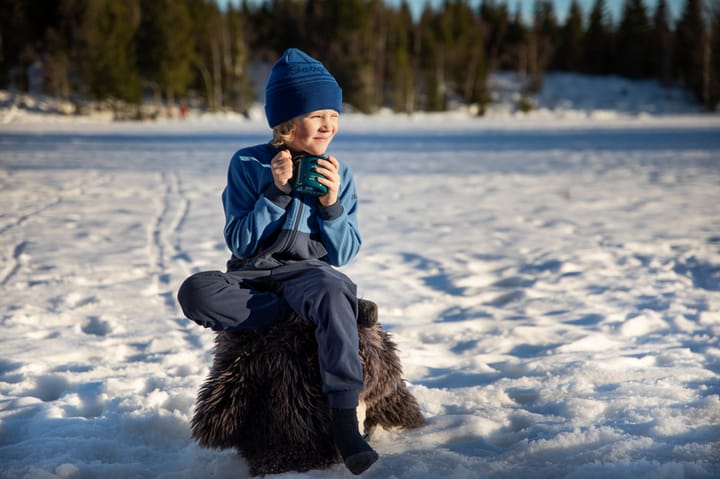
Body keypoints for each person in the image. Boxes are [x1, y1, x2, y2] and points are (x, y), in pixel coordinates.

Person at [177, 48, 378, 475]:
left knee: (331, 283)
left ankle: (344, 423)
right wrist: (276, 192)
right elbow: (240, 242)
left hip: (309, 275)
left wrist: (330, 204)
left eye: (334, 115)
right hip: (253, 280)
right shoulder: (249, 163)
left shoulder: (338, 174)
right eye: (317, 114)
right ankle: (331, 310)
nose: (329, 125)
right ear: (287, 122)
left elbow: (344, 254)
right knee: (195, 290)